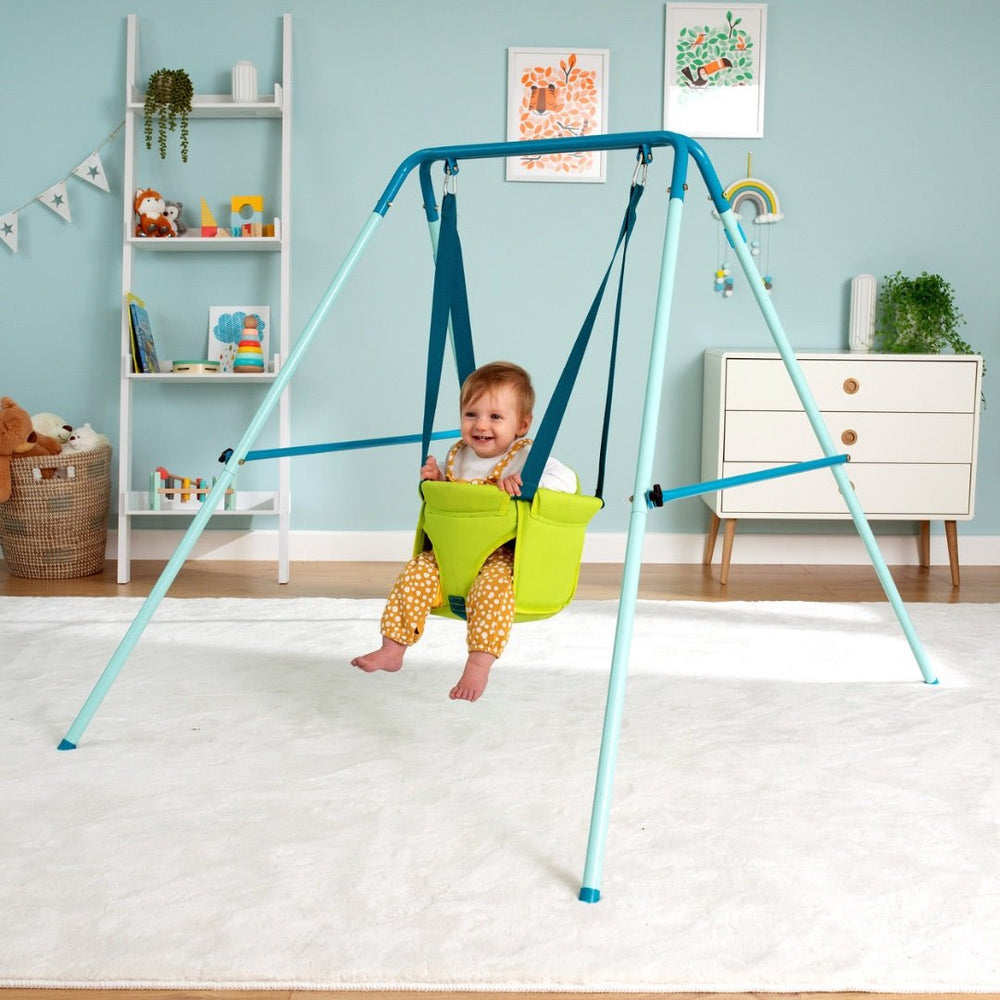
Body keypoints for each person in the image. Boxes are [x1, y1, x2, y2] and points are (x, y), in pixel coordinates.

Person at [351, 361, 576, 702]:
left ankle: (478, 665)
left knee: (493, 591)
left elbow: (568, 481)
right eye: (471, 414)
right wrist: (437, 478)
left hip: (501, 558)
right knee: (415, 573)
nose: (481, 425)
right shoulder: (457, 455)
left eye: (495, 417)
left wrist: (530, 482)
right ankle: (392, 649)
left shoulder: (528, 456)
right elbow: (448, 481)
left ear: (522, 425)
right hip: (450, 558)